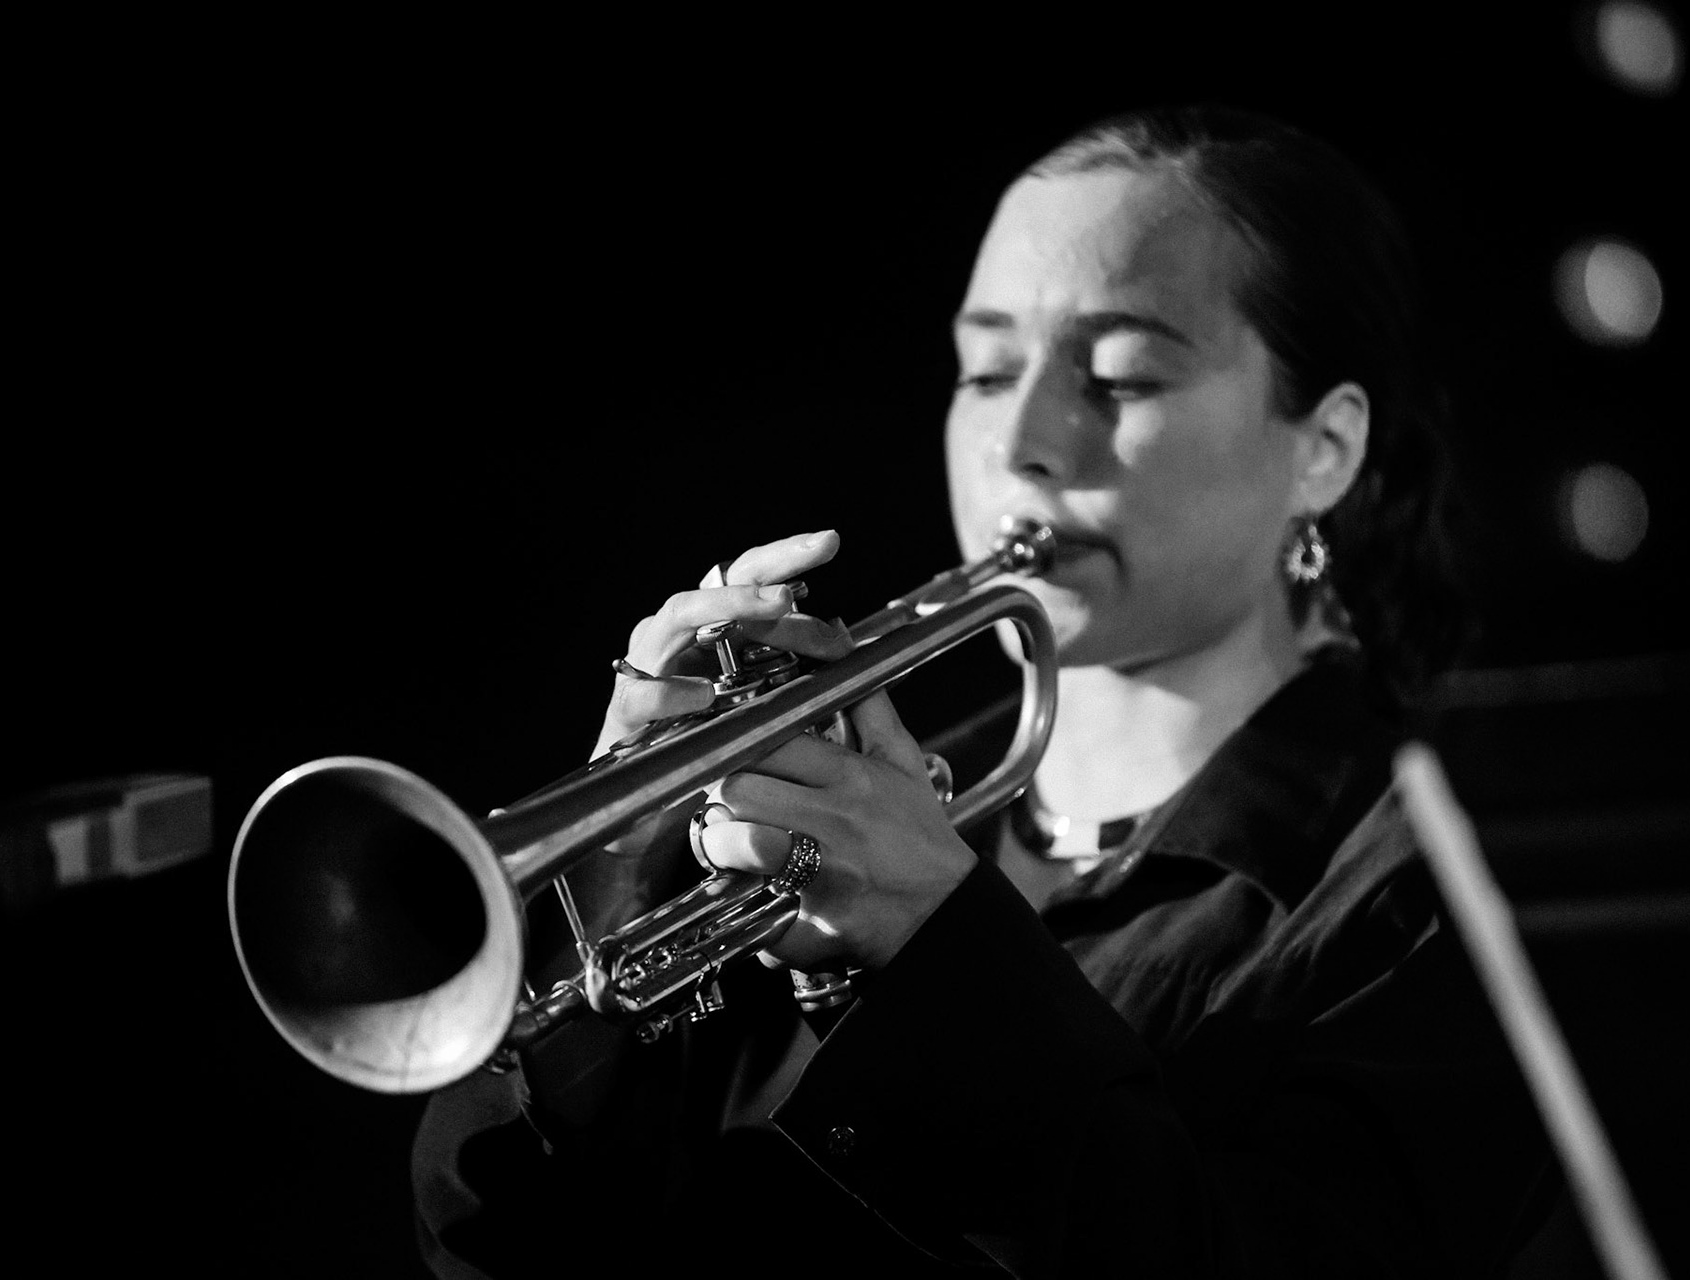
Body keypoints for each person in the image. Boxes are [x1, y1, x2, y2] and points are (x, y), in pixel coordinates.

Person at [412, 104, 1560, 1278]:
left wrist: (942, 958)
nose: (1022, 442)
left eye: (1120, 374)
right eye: (988, 368)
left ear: (1325, 448)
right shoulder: (846, 818)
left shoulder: (1441, 896)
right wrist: (588, 939)